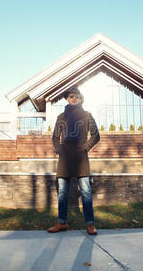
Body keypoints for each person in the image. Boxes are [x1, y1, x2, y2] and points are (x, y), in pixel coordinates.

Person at [47, 86, 100, 235]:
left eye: (76, 96)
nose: (73, 98)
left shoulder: (87, 116)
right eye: (71, 96)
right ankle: (61, 223)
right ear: (67, 99)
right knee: (62, 192)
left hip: (80, 156)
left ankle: (90, 224)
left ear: (81, 98)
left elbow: (96, 135)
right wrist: (60, 150)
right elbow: (55, 137)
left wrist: (85, 148)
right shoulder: (61, 117)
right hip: (65, 157)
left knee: (86, 191)